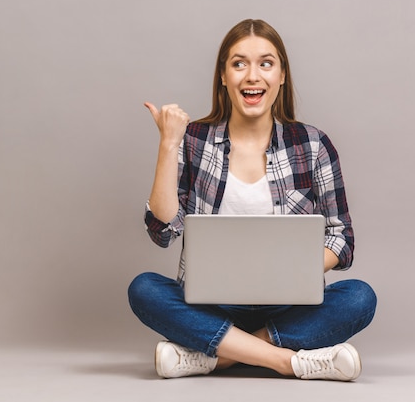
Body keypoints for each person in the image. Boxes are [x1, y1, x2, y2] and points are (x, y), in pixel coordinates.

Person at [127, 19, 377, 381]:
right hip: (212, 304)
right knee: (144, 289)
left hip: (289, 305)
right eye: (239, 63)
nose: (252, 75)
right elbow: (162, 230)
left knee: (359, 298)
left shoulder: (312, 144)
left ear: (282, 76)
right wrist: (168, 144)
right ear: (224, 76)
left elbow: (342, 240)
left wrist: (287, 273)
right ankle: (287, 361)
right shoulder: (193, 139)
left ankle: (216, 355)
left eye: (266, 63)